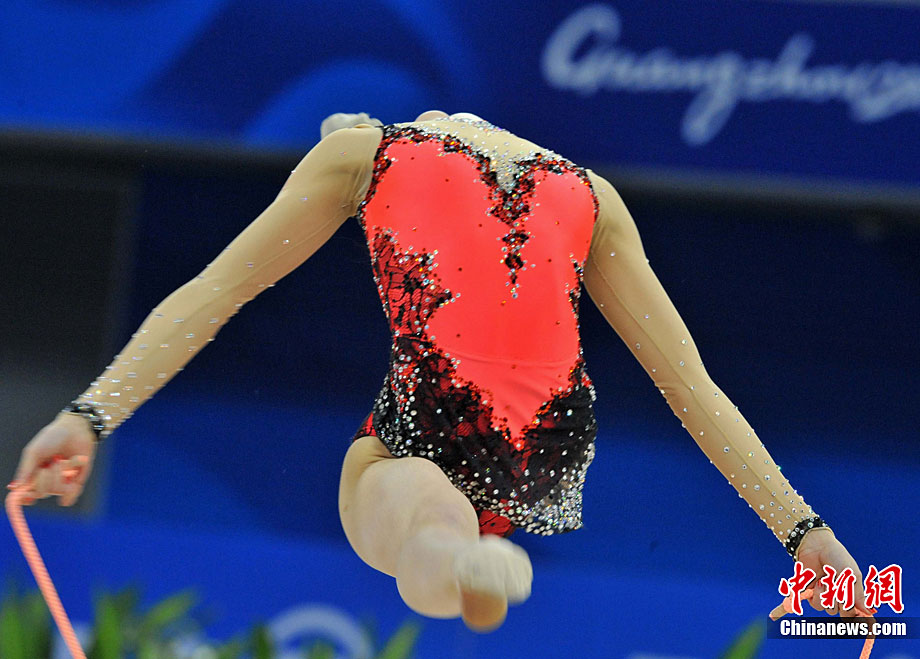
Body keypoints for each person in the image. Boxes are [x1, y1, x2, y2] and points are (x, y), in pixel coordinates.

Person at [10, 109, 867, 633]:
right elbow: (693, 389)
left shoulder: (369, 153)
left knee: (409, 501)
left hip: (431, 420)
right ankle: (468, 562)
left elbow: (214, 292)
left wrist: (89, 414)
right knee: (463, 578)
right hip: (541, 441)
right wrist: (805, 532)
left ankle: (456, 553)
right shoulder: (588, 194)